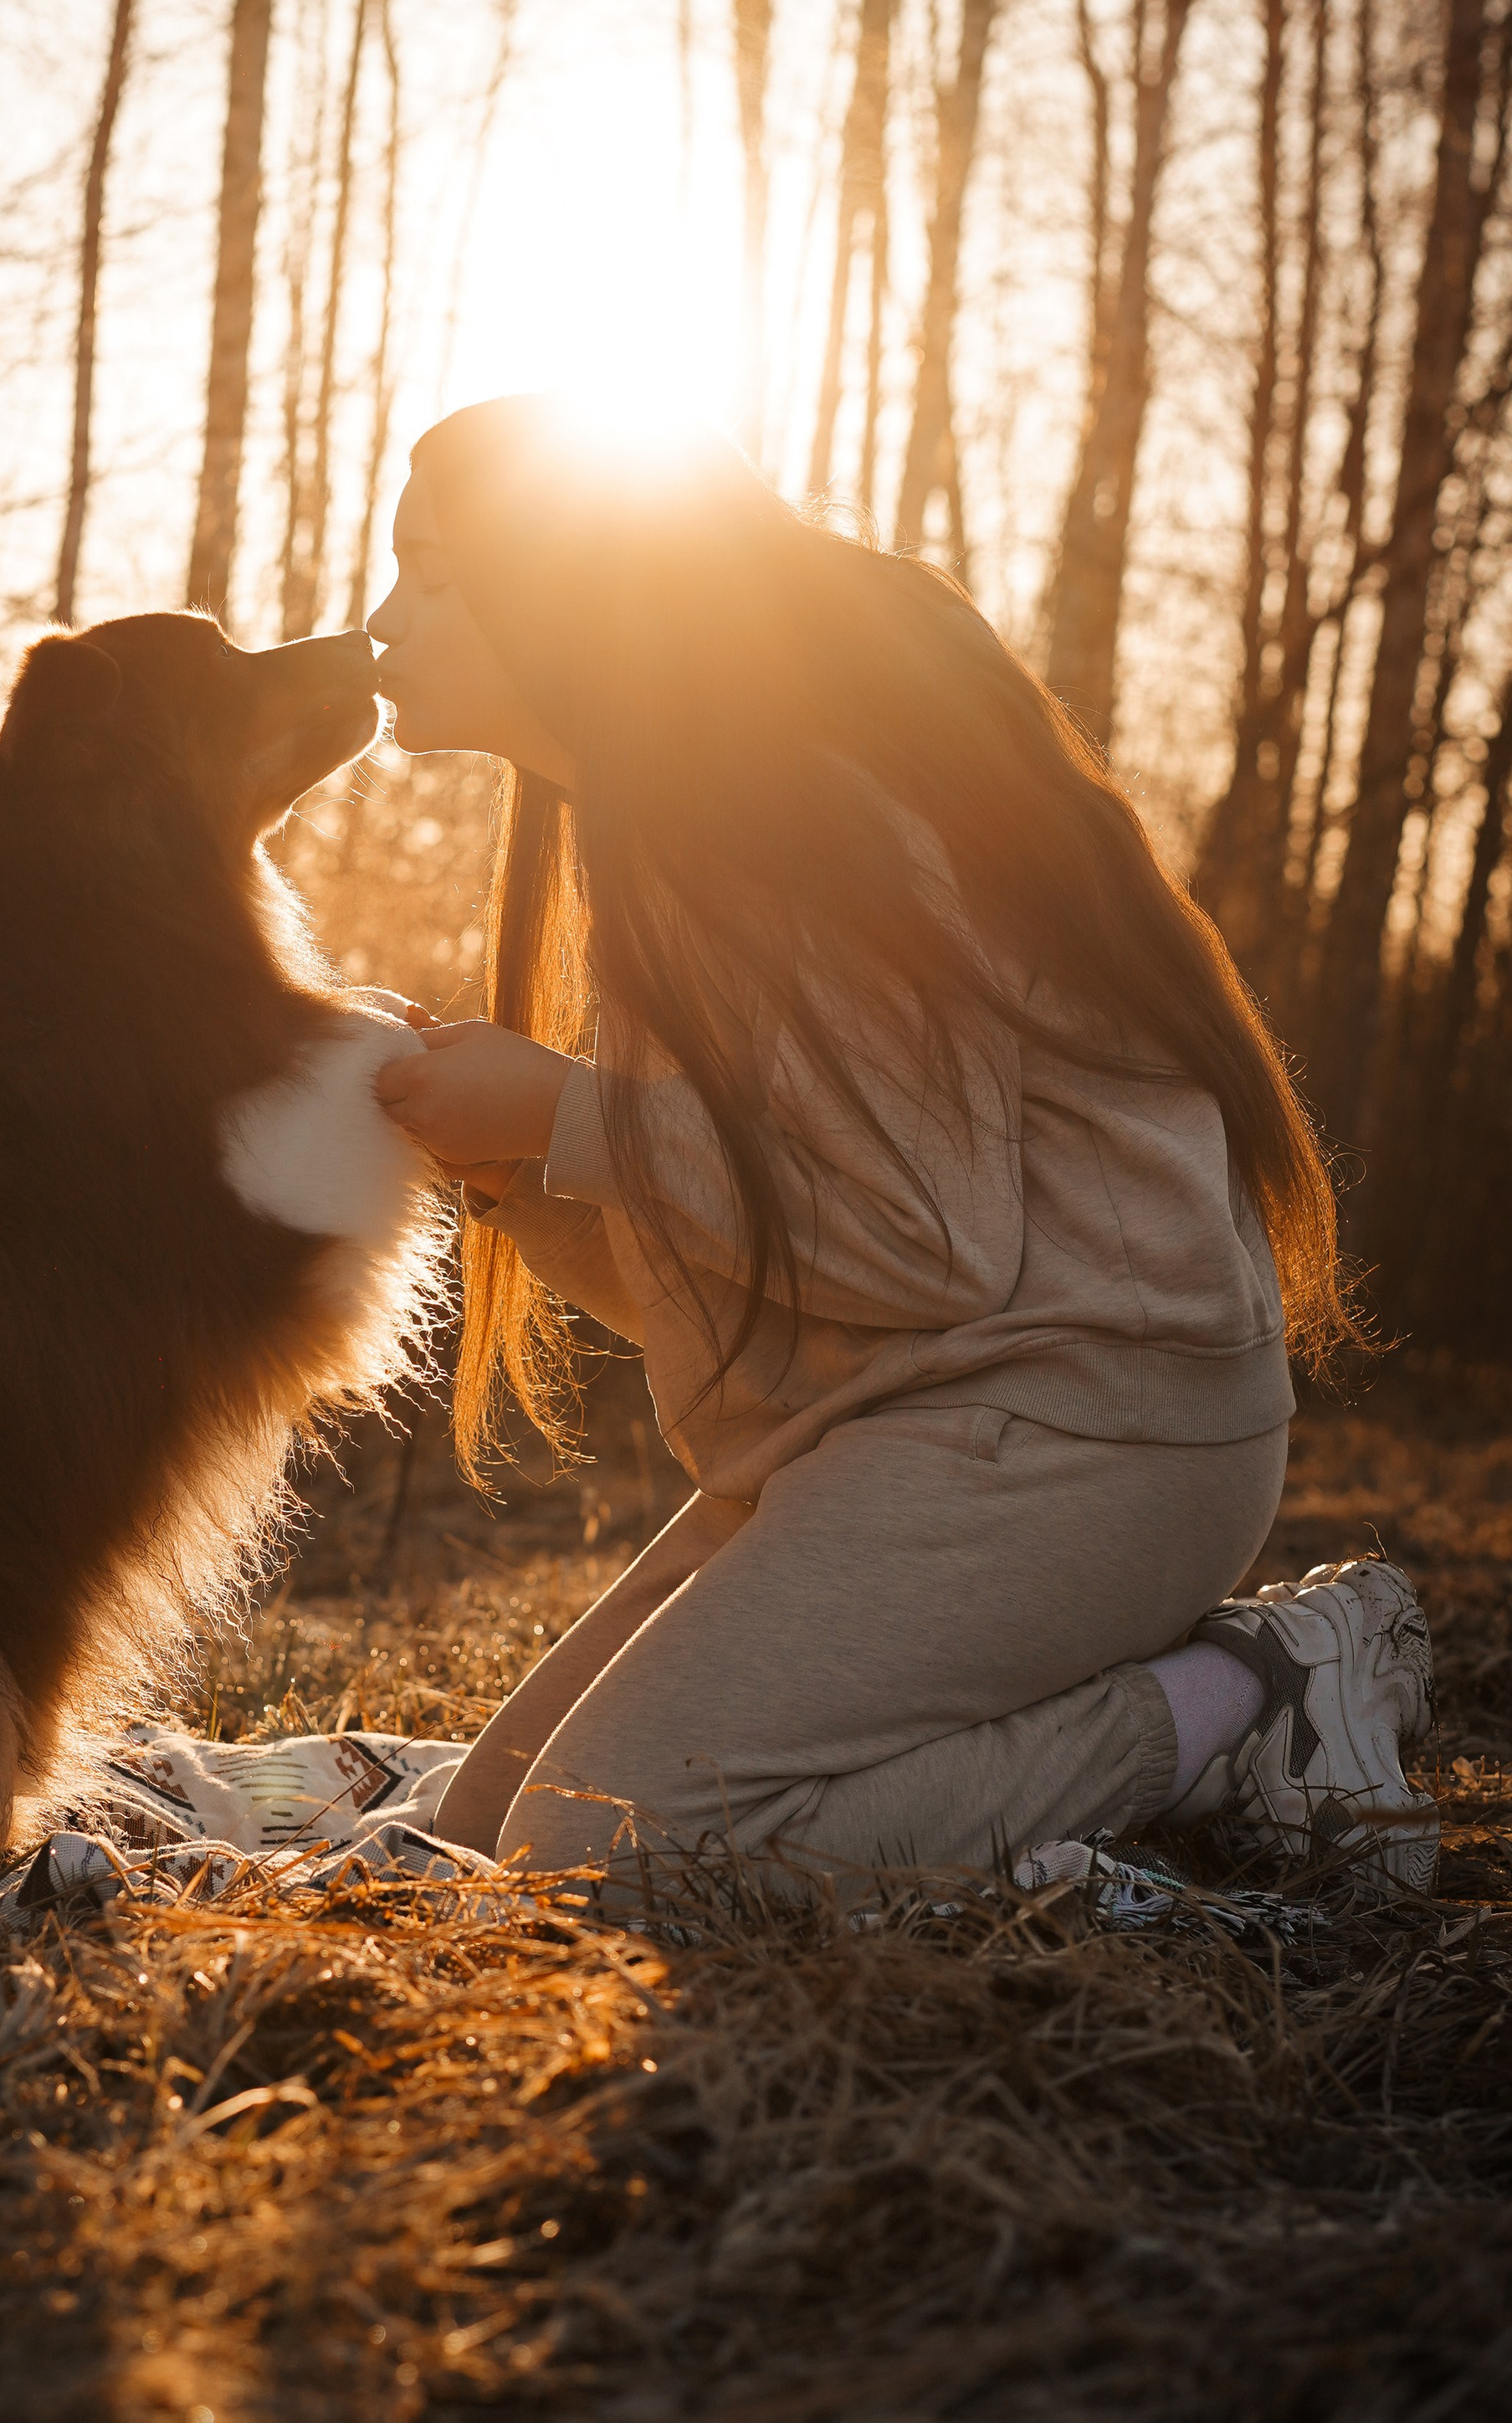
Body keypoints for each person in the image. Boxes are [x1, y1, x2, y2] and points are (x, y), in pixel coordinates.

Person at [363, 396, 1438, 1903]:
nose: (380, 617)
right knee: (479, 1836)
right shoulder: (659, 821)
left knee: (604, 1851)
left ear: (548, 589)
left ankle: (1236, 1712)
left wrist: (559, 1109)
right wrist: (519, 1172)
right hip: (914, 1421)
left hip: (1093, 1436)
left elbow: (920, 1244)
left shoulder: (772, 813)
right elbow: (785, 1275)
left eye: (425, 569)